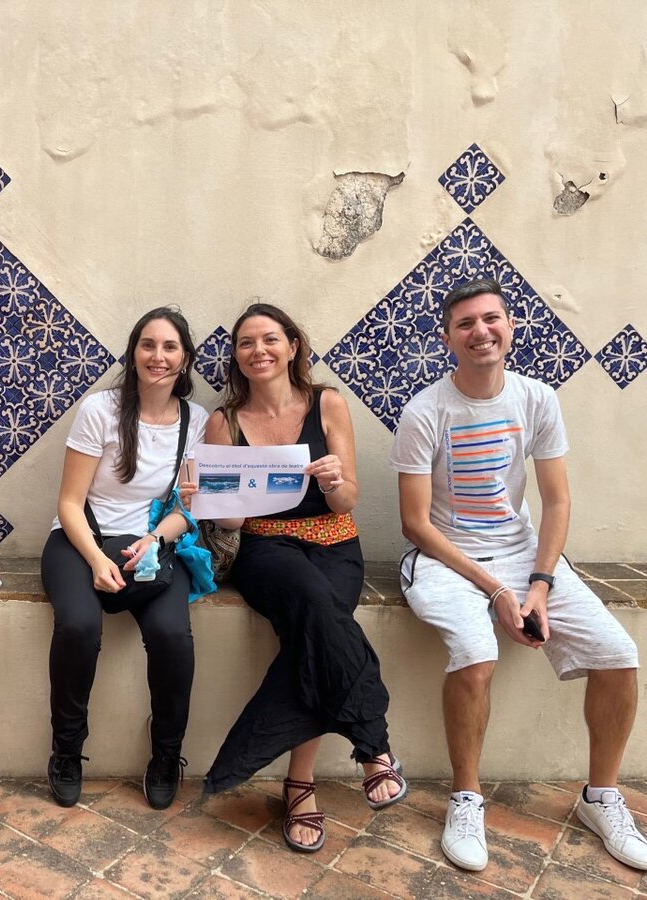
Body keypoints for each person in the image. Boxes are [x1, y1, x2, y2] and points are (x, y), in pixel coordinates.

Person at [392, 277, 645, 872]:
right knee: (476, 652)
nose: (480, 331)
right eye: (465, 324)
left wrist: (538, 584)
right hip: (445, 558)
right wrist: (498, 591)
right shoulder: (426, 410)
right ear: (448, 338)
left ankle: (600, 797)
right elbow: (415, 524)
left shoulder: (537, 399)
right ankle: (466, 798)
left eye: (491, 319)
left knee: (619, 654)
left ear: (510, 326)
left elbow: (557, 502)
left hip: (523, 554)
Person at [203, 303, 405, 853]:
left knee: (313, 634)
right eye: (246, 343)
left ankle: (299, 784)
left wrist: (335, 480)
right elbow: (226, 519)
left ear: (293, 346)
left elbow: (348, 499)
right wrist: (218, 497)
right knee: (318, 603)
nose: (259, 351)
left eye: (270, 339)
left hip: (337, 541)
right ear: (236, 357)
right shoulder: (223, 421)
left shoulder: (328, 402)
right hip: (265, 547)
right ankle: (374, 746)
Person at [42, 307, 209, 811]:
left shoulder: (196, 421)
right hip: (81, 541)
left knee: (172, 636)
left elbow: (188, 507)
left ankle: (166, 755)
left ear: (185, 358)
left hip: (152, 546)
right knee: (78, 627)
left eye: (170, 347)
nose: (158, 356)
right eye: (148, 345)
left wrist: (155, 540)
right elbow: (69, 502)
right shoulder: (100, 410)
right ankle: (67, 749)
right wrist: (97, 560)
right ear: (133, 353)